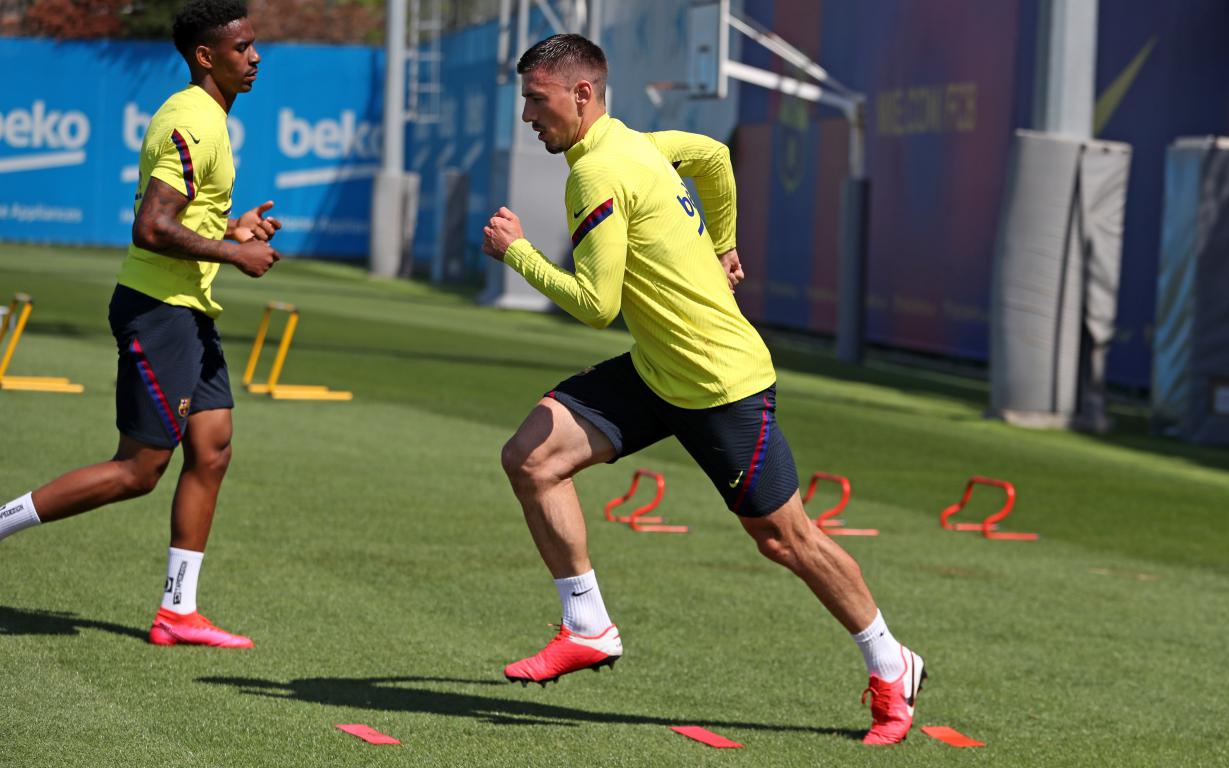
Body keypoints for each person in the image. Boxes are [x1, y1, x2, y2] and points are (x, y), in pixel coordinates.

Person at [483, 33, 924, 745]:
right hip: (660, 369)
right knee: (531, 458)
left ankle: (890, 662)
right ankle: (588, 626)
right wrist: (723, 243)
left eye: (536, 100)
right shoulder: (637, 144)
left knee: (785, 541)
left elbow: (594, 306)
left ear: (581, 95)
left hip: (719, 384)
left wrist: (519, 253)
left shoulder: (595, 174)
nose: (528, 115)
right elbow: (714, 157)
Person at [0, 0, 280, 648]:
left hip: (189, 310)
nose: (256, 56)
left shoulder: (208, 118)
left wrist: (233, 228)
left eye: (254, 44)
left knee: (212, 449)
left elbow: (182, 219)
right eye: (242, 48)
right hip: (160, 312)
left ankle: (177, 611)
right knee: (138, 470)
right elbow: (151, 226)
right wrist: (237, 252)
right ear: (205, 57)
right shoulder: (194, 121)